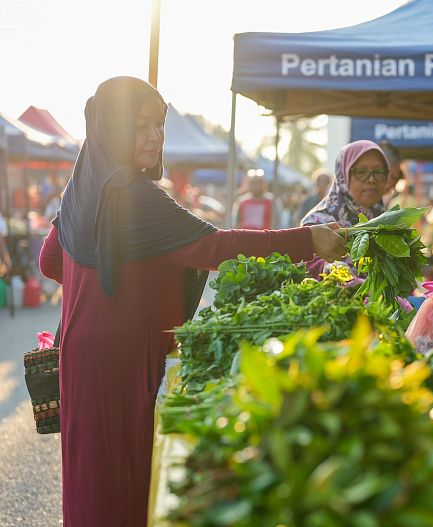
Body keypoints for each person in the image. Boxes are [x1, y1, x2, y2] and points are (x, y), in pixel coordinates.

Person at [38, 77, 347, 527]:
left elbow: (51, 261)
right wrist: (306, 240)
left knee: (89, 469)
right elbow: (216, 247)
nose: (155, 136)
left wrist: (113, 278)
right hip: (121, 359)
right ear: (113, 128)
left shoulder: (81, 191)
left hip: (80, 351)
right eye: (140, 126)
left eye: (158, 125)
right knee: (121, 475)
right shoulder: (135, 197)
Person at [301, 140, 389, 228]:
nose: (371, 179)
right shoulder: (317, 226)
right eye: (361, 172)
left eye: (378, 172)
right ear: (343, 177)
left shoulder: (392, 223)